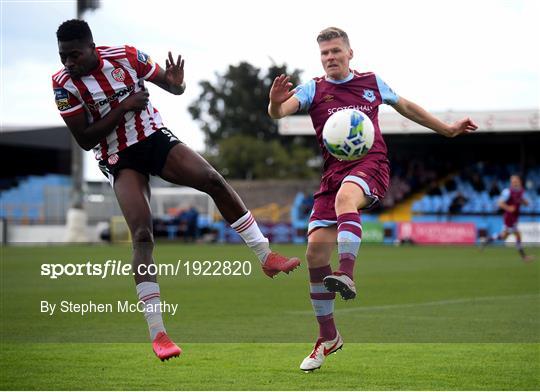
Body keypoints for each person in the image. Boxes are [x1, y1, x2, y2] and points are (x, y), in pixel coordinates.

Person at [52, 19, 300, 361]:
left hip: (153, 138)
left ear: (92, 47)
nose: (68, 62)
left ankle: (266, 257)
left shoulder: (126, 57)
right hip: (118, 156)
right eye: (63, 56)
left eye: (74, 55)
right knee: (142, 234)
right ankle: (159, 335)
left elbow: (170, 86)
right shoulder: (63, 85)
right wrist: (125, 106)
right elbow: (84, 139)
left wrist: (177, 84)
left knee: (213, 179)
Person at [268, 27, 478, 372]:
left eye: (336, 51)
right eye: (324, 53)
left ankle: (346, 272)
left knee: (345, 201)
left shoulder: (371, 82)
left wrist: (447, 129)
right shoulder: (313, 89)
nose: (330, 57)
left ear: (350, 53)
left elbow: (406, 106)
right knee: (314, 252)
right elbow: (279, 112)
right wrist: (275, 101)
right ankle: (328, 337)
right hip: (332, 174)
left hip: (371, 164)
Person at [482, 175, 533, 262]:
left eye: (516, 181)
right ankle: (524, 257)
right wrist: (509, 208)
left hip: (515, 217)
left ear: (520, 182)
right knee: (517, 234)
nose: (514, 183)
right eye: (512, 182)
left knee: (503, 236)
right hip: (509, 217)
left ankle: (487, 240)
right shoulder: (507, 192)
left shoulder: (521, 192)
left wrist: (525, 202)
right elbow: (500, 203)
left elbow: (522, 202)